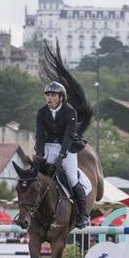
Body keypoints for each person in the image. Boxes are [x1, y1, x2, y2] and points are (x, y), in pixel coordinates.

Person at [34, 81, 89, 229]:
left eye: (52, 95)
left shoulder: (70, 112)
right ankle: (30, 212)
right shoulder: (42, 112)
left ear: (60, 98)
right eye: (47, 95)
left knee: (71, 177)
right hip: (48, 146)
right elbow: (39, 135)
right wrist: (39, 154)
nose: (49, 98)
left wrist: (61, 156)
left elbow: (68, 136)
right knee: (36, 177)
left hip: (67, 148)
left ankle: (82, 215)